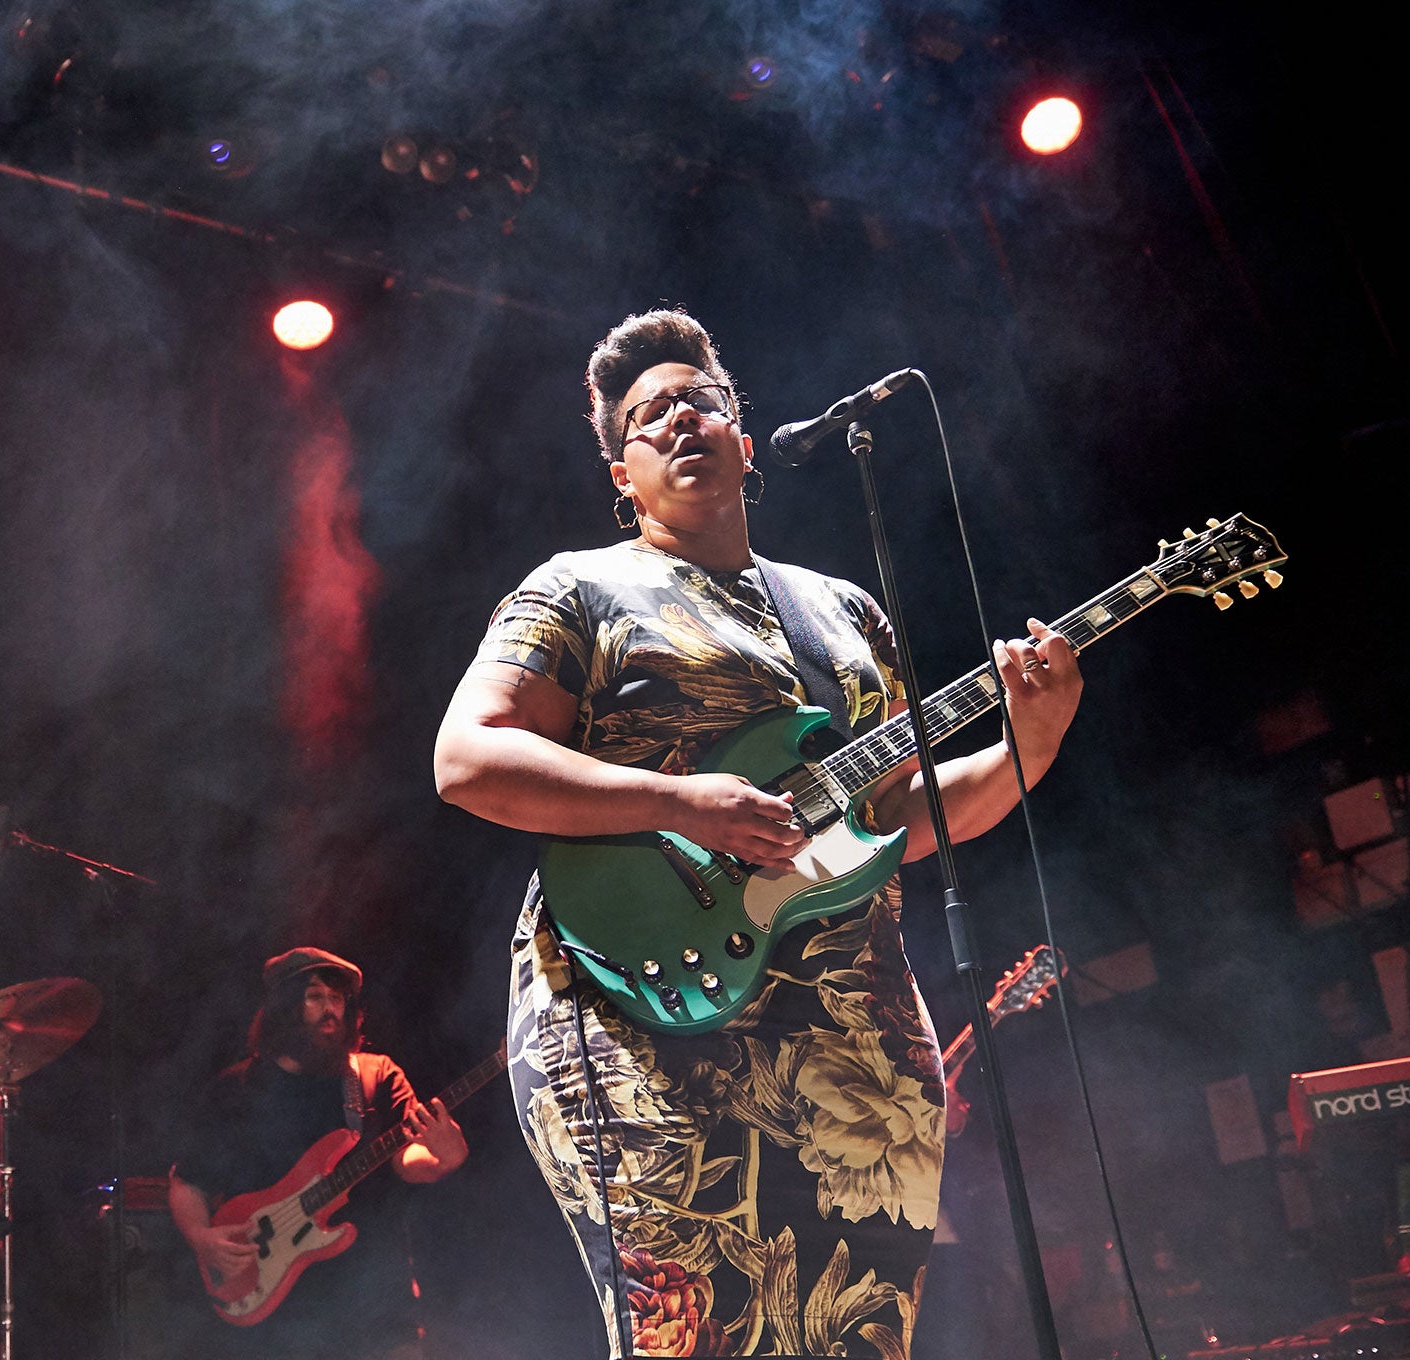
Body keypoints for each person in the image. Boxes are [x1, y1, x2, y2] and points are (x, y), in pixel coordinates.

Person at [432, 309, 1084, 1358]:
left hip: (852, 1052)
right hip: (635, 1009)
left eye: (702, 401)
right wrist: (676, 801)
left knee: (857, 1336)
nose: (680, 418)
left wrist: (1029, 745)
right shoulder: (575, 591)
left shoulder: (843, 614)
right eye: (648, 416)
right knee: (696, 1333)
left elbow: (895, 820)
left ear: (744, 440)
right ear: (621, 474)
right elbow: (467, 760)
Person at [168, 948, 468, 1360]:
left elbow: (405, 1160)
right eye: (315, 996)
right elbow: (188, 1182)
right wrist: (201, 1238)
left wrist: (443, 1158)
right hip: (272, 1319)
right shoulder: (236, 1089)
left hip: (376, 1307)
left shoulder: (374, 1075)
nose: (330, 1008)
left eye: (338, 998)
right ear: (283, 1006)